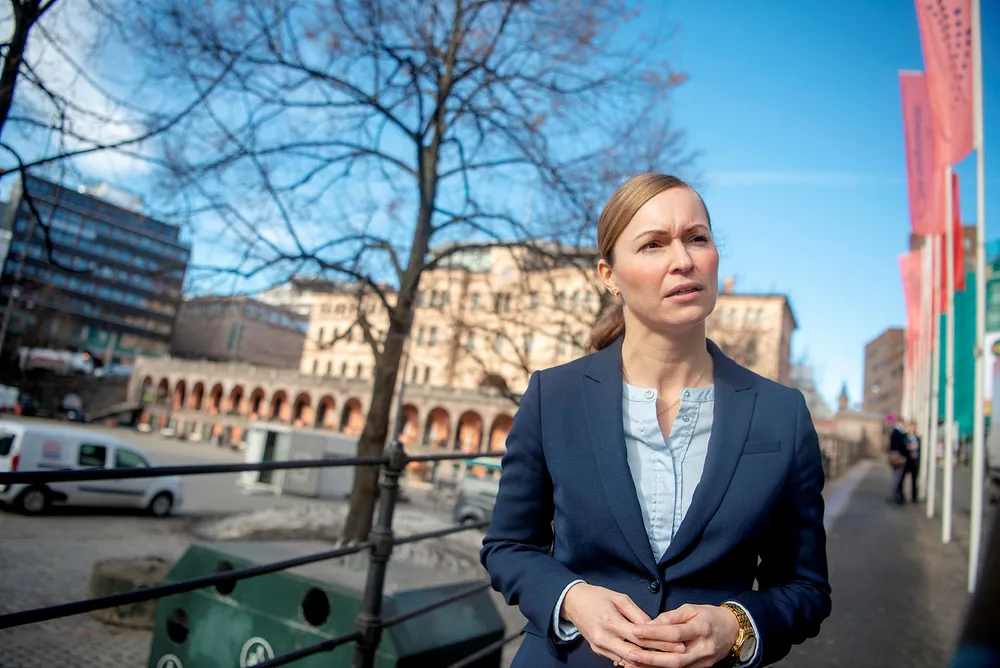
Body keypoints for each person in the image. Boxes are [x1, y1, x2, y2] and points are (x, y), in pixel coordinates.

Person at [481, 173, 831, 668]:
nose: (683, 260)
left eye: (697, 238)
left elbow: (805, 587)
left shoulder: (781, 413)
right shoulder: (552, 396)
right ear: (609, 275)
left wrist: (736, 626)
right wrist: (573, 599)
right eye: (653, 244)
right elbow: (508, 546)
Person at [887, 417, 910, 505]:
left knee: (896, 477)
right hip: (899, 457)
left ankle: (895, 495)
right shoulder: (898, 433)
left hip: (896, 456)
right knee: (897, 478)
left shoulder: (894, 432)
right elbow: (900, 445)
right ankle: (893, 496)